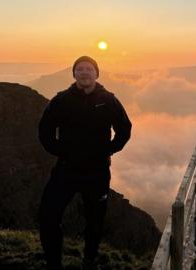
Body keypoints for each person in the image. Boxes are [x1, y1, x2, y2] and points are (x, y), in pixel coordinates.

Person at [38, 56, 132, 269]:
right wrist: (59, 150)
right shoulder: (61, 100)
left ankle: (89, 259)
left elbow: (124, 129)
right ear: (74, 74)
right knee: (48, 215)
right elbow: (44, 130)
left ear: (96, 73)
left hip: (96, 171)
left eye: (89, 69)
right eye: (80, 69)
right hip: (66, 170)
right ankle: (54, 262)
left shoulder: (109, 100)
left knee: (95, 220)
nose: (84, 72)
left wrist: (107, 150)